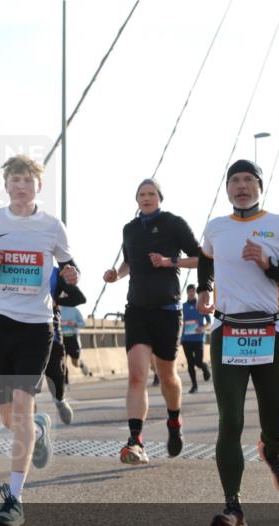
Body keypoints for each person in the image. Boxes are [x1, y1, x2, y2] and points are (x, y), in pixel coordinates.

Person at [0, 154, 79, 526]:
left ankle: (14, 498)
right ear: (6, 184)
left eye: (28, 180)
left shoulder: (52, 226)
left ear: (39, 186)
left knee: (21, 411)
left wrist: (71, 273)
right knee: (10, 418)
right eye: (16, 180)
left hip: (36, 327)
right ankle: (38, 429)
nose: (22, 186)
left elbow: (69, 265)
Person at [195, 160, 279, 526]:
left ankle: (272, 451)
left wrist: (268, 262)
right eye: (234, 180)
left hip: (272, 329)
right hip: (227, 330)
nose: (241, 186)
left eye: (248, 180)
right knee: (230, 420)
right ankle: (234, 509)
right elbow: (206, 258)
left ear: (260, 186)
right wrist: (204, 289)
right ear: (227, 188)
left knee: (274, 419)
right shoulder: (216, 226)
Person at [102, 178, 200, 464]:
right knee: (137, 376)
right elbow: (128, 262)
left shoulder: (174, 224)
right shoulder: (129, 229)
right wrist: (116, 275)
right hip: (137, 309)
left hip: (167, 310)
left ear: (160, 198)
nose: (146, 198)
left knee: (167, 376)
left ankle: (174, 421)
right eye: (142, 194)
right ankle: (135, 441)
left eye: (151, 194)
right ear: (137, 199)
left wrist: (169, 262)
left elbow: (200, 258)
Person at [44, 267, 87, 425]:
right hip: (25, 333)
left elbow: (80, 299)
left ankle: (60, 399)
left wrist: (56, 301)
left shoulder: (56, 273)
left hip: (61, 336)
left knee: (59, 370)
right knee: (28, 380)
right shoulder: (17, 267)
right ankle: (31, 423)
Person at [181, 284, 212, 394]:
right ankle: (194, 386)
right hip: (186, 339)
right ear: (187, 293)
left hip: (198, 339)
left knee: (198, 362)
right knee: (190, 363)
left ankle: (204, 367)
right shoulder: (183, 306)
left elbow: (209, 322)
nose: (191, 293)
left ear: (195, 293)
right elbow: (178, 320)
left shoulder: (201, 306)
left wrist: (203, 328)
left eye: (193, 291)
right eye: (189, 291)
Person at [60, 304, 90, 378]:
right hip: (62, 339)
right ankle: (65, 381)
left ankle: (81, 364)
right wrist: (60, 324)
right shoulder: (58, 309)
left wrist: (75, 324)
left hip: (73, 339)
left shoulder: (75, 310)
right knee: (62, 362)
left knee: (75, 363)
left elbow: (83, 323)